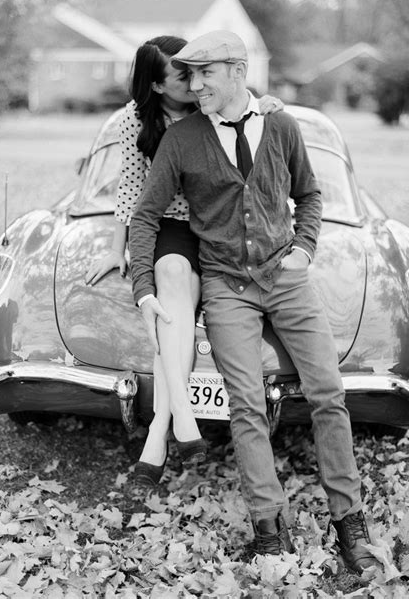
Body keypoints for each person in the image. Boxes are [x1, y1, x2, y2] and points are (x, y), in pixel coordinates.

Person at [128, 31, 380, 572]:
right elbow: (146, 215)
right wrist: (144, 289)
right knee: (246, 406)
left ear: (238, 71)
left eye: (206, 74)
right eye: (188, 75)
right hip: (225, 286)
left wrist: (305, 249)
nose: (195, 86)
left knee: (328, 393)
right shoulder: (181, 139)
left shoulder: (282, 124)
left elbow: (309, 193)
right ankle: (269, 529)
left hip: (286, 278)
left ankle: (349, 523)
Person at [85, 35, 284, 486]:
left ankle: (159, 430)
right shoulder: (135, 122)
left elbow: (248, 118)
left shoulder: (210, 107)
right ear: (156, 87)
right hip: (169, 227)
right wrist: (117, 248)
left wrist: (269, 104)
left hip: (217, 222)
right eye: (181, 75)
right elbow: (131, 194)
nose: (193, 81)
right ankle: (181, 417)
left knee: (170, 310)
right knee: (169, 277)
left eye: (196, 72)